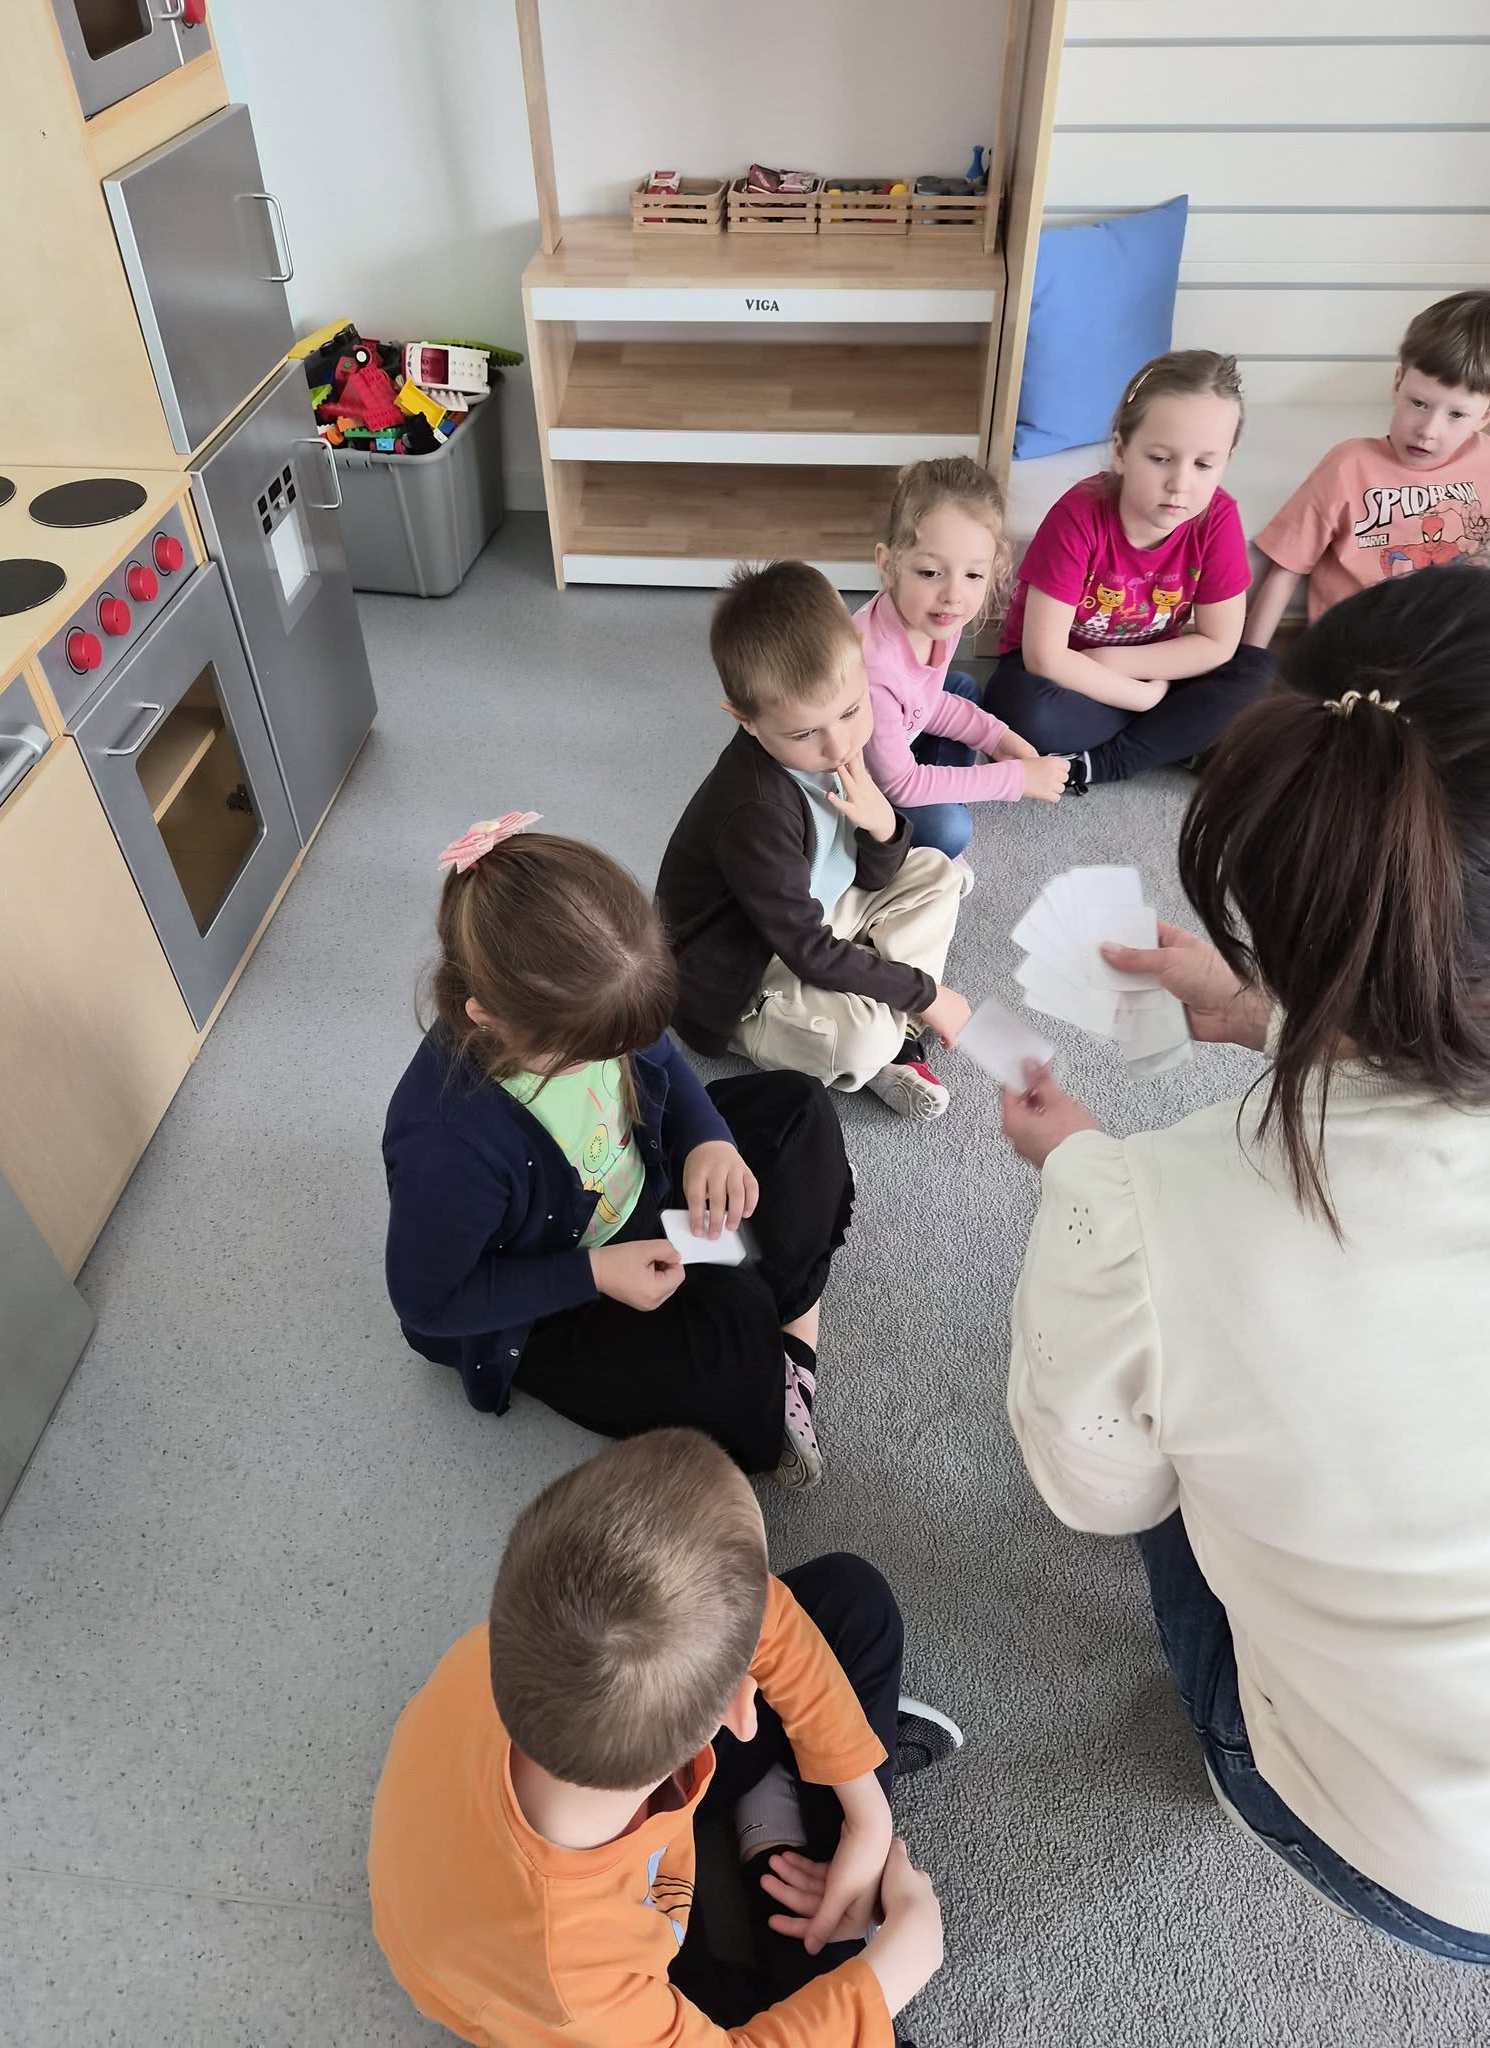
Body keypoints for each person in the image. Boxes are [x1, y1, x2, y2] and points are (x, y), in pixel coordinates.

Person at [1000, 568, 1490, 1961]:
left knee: (1158, 1437)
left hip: (1412, 1861)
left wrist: (1085, 1186)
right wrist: (1281, 1017)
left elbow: (1096, 1491)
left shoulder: (1154, 1213)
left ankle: (1243, 1760)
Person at [369, 1429, 960, 2046]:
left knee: (852, 1598)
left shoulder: (525, 1637)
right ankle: (786, 1820)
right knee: (829, 2012)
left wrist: (868, 1819)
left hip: (581, 1822)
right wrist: (895, 1969)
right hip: (582, 1972)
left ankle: (784, 1811)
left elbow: (763, 1616)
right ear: (742, 1710)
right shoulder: (571, 1975)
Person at [383, 819, 853, 1488]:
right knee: (721, 1347)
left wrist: (708, 1140)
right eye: (591, 1054)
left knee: (799, 1110)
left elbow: (664, 1063)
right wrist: (596, 1273)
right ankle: (776, 1334)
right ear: (486, 1016)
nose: (620, 1056)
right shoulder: (448, 1142)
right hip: (561, 1290)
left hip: (650, 1194)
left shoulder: (595, 1008)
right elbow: (428, 1304)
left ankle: (769, 1337)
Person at [657, 561, 970, 1123]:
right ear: (745, 720)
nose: (838, 745)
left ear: (860, 656)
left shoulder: (832, 739)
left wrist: (882, 826)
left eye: (851, 711)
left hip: (812, 914)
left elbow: (871, 873)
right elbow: (806, 949)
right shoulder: (756, 811)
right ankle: (888, 1042)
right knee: (863, 1040)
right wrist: (925, 994)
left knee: (936, 872)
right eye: (805, 733)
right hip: (743, 972)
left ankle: (883, 1004)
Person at [984, 350, 1273, 790]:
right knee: (1022, 712)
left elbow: (1218, 643)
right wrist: (1144, 697)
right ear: (1121, 451)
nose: (1180, 484)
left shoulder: (1218, 517)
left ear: (1225, 461)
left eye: (1203, 465)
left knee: (1258, 675)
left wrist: (1114, 662)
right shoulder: (1078, 517)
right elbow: (1044, 656)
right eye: (1160, 458)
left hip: (1148, 664)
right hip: (1065, 676)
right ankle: (1176, 740)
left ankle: (1103, 762)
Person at [855, 457, 1069, 868]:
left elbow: (926, 701)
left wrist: (996, 737)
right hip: (864, 786)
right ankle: (921, 837)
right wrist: (1013, 779)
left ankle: (946, 789)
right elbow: (898, 784)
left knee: (963, 689)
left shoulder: (937, 620)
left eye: (973, 576)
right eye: (930, 572)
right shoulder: (874, 669)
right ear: (888, 565)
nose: (953, 596)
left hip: (897, 735)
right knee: (949, 830)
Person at [1244, 290, 1490, 646]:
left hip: (1449, 643)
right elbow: (1287, 566)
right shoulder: (1349, 465)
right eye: (1419, 403)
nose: (1428, 430)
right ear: (1397, 384)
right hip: (1359, 642)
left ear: (1483, 416)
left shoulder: (1484, 461)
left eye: (1456, 414)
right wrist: (1251, 659)